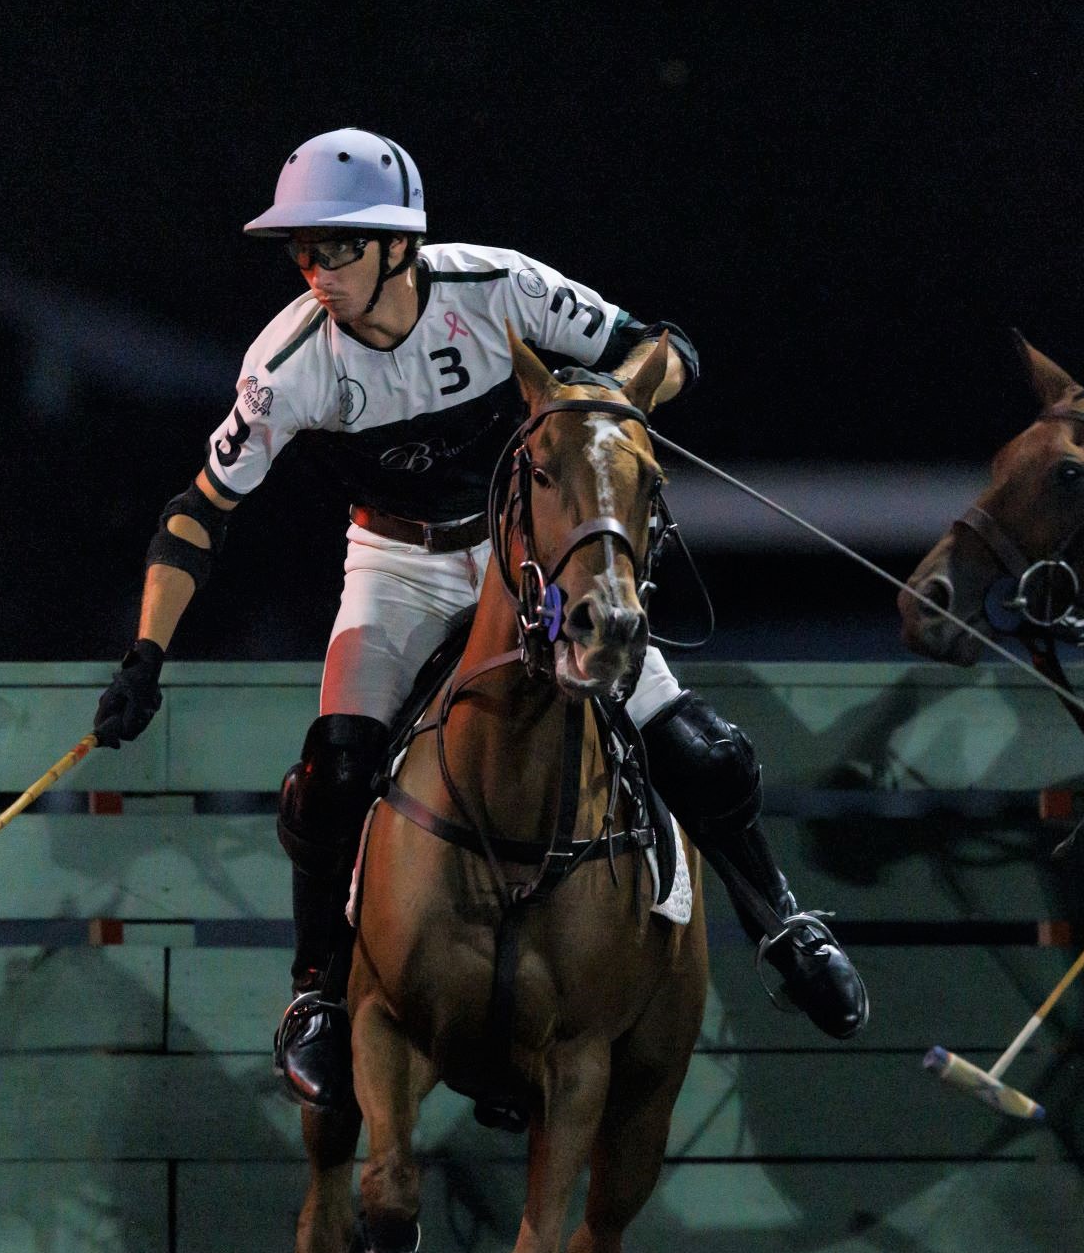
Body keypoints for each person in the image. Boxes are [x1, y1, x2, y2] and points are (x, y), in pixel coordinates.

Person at [91, 129, 869, 1115]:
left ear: (395, 247)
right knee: (332, 776)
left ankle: (784, 925)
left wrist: (609, 409)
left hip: (521, 548)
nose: (315, 269)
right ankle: (315, 998)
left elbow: (656, 350)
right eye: (304, 250)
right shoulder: (284, 364)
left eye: (336, 246)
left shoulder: (498, 288)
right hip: (393, 564)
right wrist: (144, 656)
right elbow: (196, 511)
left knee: (699, 751)